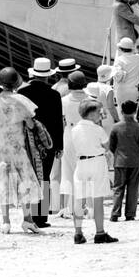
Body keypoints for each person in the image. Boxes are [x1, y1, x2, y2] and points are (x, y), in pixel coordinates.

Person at [0, 67, 47, 235]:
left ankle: (6, 222)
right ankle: (28, 220)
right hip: (18, 148)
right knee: (25, 183)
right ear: (15, 83)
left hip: (1, 149)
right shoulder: (20, 100)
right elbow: (30, 124)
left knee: (3, 184)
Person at [21, 57, 63, 228]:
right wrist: (59, 145)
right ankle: (41, 217)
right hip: (48, 142)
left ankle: (28, 215)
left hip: (26, 141)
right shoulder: (54, 94)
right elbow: (57, 121)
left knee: (28, 178)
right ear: (47, 76)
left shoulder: (22, 93)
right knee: (44, 177)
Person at [70, 102, 117, 245]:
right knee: (97, 199)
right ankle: (100, 232)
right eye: (98, 112)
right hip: (96, 161)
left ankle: (78, 233)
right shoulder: (98, 129)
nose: (100, 114)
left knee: (79, 199)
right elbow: (107, 146)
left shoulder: (74, 129)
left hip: (81, 163)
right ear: (91, 114)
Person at [107, 100, 139, 222]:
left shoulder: (116, 127)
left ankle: (115, 213)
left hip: (120, 161)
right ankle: (130, 214)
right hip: (135, 161)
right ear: (135, 111)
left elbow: (111, 146)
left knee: (118, 188)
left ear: (121, 111)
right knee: (133, 188)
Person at [57, 70, 89, 219]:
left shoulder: (63, 101)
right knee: (83, 171)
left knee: (67, 171)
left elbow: (60, 120)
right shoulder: (90, 99)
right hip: (85, 133)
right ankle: (83, 206)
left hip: (68, 133)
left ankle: (67, 207)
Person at [112, 37, 139, 108]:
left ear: (121, 48)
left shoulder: (119, 60)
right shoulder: (138, 58)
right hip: (134, 90)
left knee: (121, 110)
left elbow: (116, 75)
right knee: (132, 110)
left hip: (121, 90)